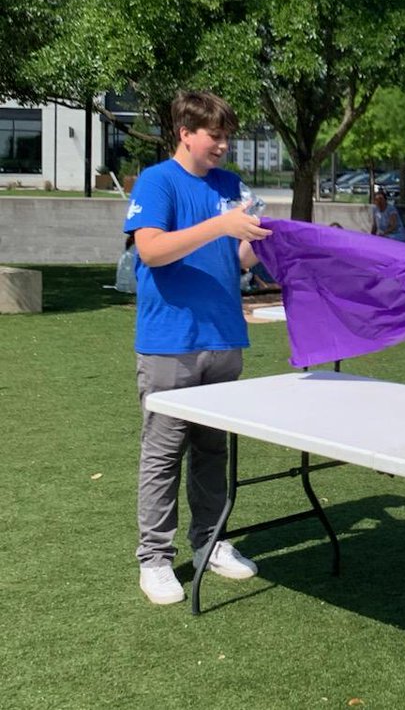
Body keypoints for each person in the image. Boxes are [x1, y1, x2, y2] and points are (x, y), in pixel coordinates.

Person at [124, 90, 272, 605]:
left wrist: (259, 238)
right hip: (170, 344)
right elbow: (151, 249)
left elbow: (239, 261)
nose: (224, 146)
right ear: (185, 132)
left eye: (228, 136)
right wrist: (221, 224)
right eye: (216, 135)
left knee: (213, 450)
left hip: (224, 338)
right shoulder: (157, 181)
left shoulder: (231, 186)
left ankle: (210, 543)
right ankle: (155, 560)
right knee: (163, 452)